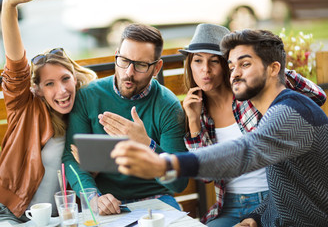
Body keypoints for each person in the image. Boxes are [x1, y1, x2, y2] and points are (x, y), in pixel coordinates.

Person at [111, 29, 328, 227]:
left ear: (273, 68)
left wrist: (166, 163)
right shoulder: (272, 114)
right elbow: (284, 191)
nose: (234, 73)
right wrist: (255, 218)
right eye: (232, 66)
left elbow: (246, 151)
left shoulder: (290, 112)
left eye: (245, 64)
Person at [179, 24, 326, 226]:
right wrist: (194, 121)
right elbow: (208, 174)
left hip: (274, 200)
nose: (206, 69)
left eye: (215, 61)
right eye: (197, 61)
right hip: (240, 205)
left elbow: (248, 150)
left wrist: (272, 69)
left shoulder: (267, 104)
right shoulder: (197, 108)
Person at [0, 0, 97, 224]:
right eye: (50, 84)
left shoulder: (85, 112)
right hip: (10, 212)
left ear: (75, 78)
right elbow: (15, 64)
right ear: (37, 89)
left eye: (65, 79)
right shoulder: (25, 109)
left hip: (59, 217)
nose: (62, 90)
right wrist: (9, 7)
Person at [62, 23, 188, 215]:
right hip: (107, 201)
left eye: (141, 65)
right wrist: (92, 197)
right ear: (116, 56)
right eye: (124, 60)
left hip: (156, 198)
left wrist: (146, 144)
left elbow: (178, 183)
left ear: (157, 68)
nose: (129, 72)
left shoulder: (167, 105)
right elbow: (70, 157)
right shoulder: (88, 97)